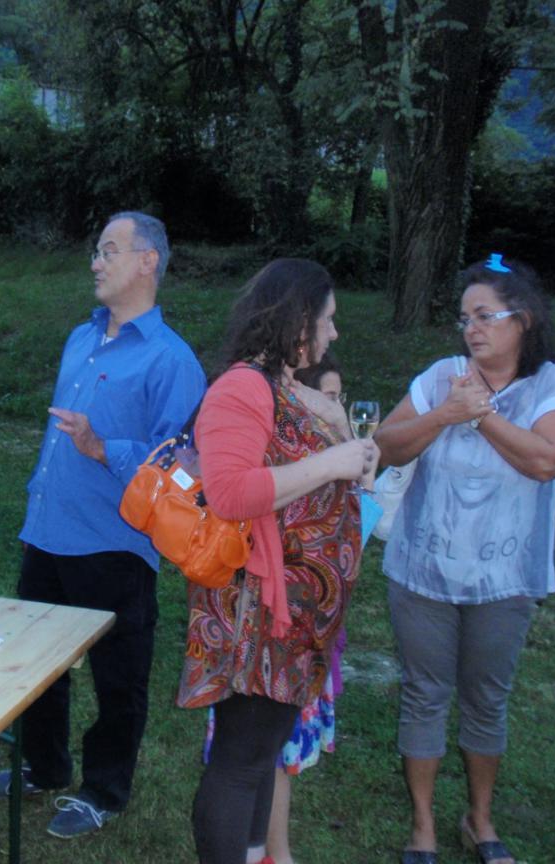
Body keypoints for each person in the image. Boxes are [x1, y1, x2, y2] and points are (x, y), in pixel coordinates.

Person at [0, 211, 207, 838]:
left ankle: (104, 789)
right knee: (36, 664)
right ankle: (44, 764)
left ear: (147, 261)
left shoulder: (172, 360)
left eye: (109, 251)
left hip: (115, 543)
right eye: (97, 251)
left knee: (118, 676)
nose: (95, 262)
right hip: (47, 530)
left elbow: (184, 469)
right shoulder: (80, 339)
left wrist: (105, 448)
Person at [373, 254, 555, 864]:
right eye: (465, 318)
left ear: (525, 319)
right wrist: (446, 412)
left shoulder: (549, 386)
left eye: (485, 315)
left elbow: (547, 460)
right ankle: (423, 827)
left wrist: (481, 416)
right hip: (423, 570)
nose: (472, 328)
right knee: (423, 693)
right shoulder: (443, 377)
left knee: (487, 698)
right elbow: (384, 445)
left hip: (505, 577)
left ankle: (480, 820)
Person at [178, 259, 378, 864]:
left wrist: (343, 442)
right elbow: (230, 492)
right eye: (328, 319)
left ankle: (255, 855)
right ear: (299, 319)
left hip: (289, 618)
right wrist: (331, 463)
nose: (334, 333)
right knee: (240, 762)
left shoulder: (284, 386)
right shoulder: (242, 386)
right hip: (256, 616)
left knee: (260, 755)